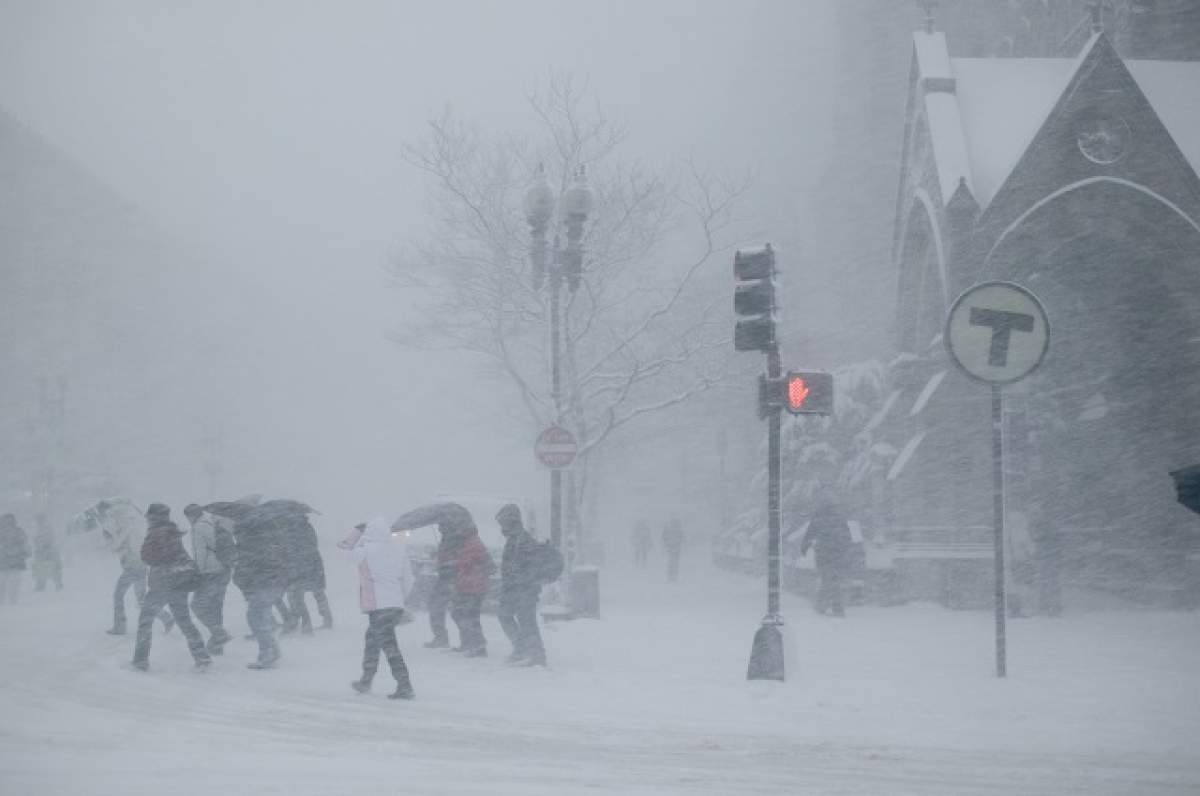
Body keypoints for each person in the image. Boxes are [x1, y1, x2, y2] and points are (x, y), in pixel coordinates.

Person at [341, 518, 415, 700]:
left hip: (378, 607)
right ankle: (366, 680)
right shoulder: (398, 550)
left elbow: (345, 550)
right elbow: (409, 580)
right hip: (394, 606)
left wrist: (356, 531)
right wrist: (399, 600)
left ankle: (404, 686)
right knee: (373, 641)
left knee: (389, 647)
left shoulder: (366, 551)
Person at [132, 504, 211, 671]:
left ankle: (140, 660)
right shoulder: (172, 531)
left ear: (153, 517)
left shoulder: (155, 533)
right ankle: (202, 656)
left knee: (145, 621)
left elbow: (146, 557)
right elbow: (175, 555)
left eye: (149, 516)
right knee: (185, 621)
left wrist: (149, 544)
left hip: (162, 584)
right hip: (178, 583)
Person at [391, 503, 476, 649]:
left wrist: (397, 535)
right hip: (449, 575)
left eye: (442, 526)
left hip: (452, 576)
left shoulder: (456, 539)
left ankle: (461, 641)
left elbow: (457, 557)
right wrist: (438, 555)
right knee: (445, 607)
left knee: (448, 608)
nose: (440, 528)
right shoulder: (453, 536)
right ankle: (461, 641)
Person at [98, 500, 172, 635]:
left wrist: (109, 538)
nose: (112, 519)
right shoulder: (131, 522)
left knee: (118, 595)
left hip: (133, 566)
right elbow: (129, 545)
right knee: (141, 599)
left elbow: (118, 546)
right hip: (140, 565)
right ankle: (166, 618)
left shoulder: (125, 525)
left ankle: (120, 627)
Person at [233, 503, 290, 669]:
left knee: (255, 617)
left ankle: (268, 653)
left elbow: (253, 564)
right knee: (260, 617)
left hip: (264, 583)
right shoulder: (267, 536)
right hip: (272, 581)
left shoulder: (253, 542)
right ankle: (272, 650)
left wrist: (243, 574)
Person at [496, 504, 546, 666]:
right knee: (505, 615)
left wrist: (520, 583)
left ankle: (537, 655)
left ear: (511, 521)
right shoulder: (514, 539)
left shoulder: (522, 540)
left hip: (524, 589)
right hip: (515, 588)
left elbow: (530, 567)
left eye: (503, 522)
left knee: (527, 620)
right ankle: (521, 648)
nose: (501, 527)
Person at [184, 504, 234, 655]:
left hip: (210, 572)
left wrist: (197, 572)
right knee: (216, 607)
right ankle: (217, 646)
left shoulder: (198, 527)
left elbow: (200, 553)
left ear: (190, 516)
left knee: (197, 606)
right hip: (224, 570)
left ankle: (219, 634)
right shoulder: (213, 523)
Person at [279, 506, 333, 634]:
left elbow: (291, 548)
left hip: (300, 565)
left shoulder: (292, 529)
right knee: (317, 593)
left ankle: (305, 623)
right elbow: (311, 545)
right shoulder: (305, 526)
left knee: (296, 594)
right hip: (312, 564)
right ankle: (326, 619)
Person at [799, 499, 852, 617]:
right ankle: (836, 607)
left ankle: (823, 605)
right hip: (837, 554)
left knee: (826, 578)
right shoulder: (839, 519)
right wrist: (846, 550)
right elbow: (847, 536)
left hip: (823, 553)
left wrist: (804, 548)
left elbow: (809, 534)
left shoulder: (818, 518)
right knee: (834, 579)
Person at [0, 513, 30, 604]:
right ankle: (4, 599)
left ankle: (12, 599)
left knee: (14, 581)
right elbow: (24, 543)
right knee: (3, 581)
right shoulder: (3, 531)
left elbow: (24, 543)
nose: (8, 522)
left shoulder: (18, 531)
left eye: (9, 520)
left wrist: (24, 551)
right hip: (5, 560)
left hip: (13, 560)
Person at [31, 515, 63, 592]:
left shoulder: (47, 528)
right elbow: (35, 540)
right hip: (41, 551)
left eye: (40, 520)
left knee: (53, 567)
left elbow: (50, 538)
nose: (38, 522)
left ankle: (57, 583)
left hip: (48, 550)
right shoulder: (37, 529)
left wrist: (42, 544)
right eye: (38, 520)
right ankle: (41, 584)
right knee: (41, 567)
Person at [662, 518, 684, 582]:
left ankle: (671, 576)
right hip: (675, 547)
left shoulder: (668, 528)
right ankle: (674, 576)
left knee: (671, 562)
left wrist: (666, 544)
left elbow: (664, 537)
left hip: (671, 547)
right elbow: (681, 538)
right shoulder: (678, 529)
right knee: (674, 562)